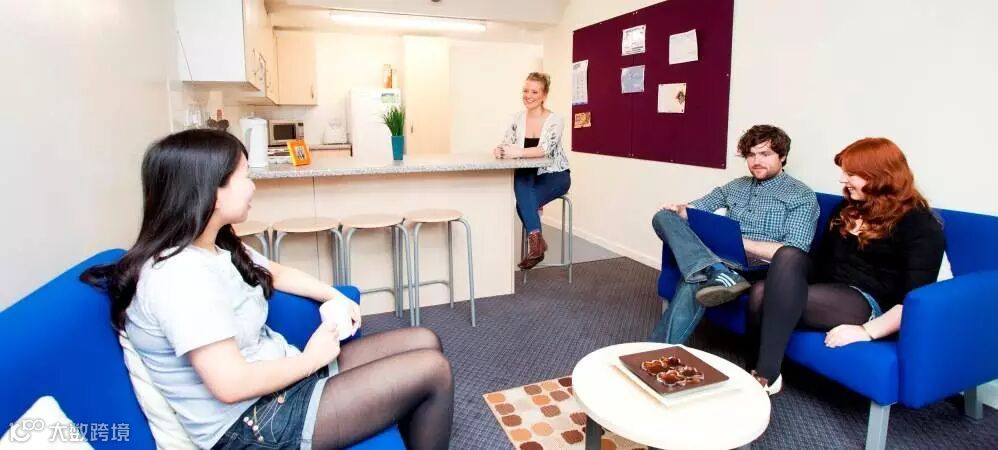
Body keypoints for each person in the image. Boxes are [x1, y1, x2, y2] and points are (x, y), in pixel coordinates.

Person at [81, 129, 453, 450]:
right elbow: (230, 385)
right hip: (252, 423)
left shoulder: (215, 245)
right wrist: (311, 359)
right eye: (245, 176)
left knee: (425, 339)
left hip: (280, 380)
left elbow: (275, 272)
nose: (253, 186)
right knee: (432, 370)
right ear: (211, 190)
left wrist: (333, 295)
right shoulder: (178, 277)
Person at [746, 137, 944, 394]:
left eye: (851, 174)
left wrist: (866, 331)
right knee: (784, 258)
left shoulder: (919, 223)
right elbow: (822, 259)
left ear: (881, 176)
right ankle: (758, 372)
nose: (843, 180)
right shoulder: (847, 208)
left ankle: (764, 376)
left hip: (867, 299)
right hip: (830, 284)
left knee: (763, 295)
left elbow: (916, 297)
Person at [649, 125, 819, 345]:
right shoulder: (736, 186)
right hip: (719, 256)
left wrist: (737, 242)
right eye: (751, 155)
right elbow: (697, 209)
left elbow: (794, 251)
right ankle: (716, 270)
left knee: (696, 278)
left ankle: (654, 350)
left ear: (783, 156)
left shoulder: (801, 196)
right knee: (663, 216)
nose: (756, 161)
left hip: (760, 266)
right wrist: (678, 209)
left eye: (765, 154)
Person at [493, 72, 571, 270]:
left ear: (544, 95)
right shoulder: (518, 118)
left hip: (555, 175)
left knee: (523, 203)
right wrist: (500, 149)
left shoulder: (555, 120)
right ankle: (537, 245)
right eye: (526, 90)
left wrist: (517, 152)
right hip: (528, 176)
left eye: (534, 92)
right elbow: (507, 142)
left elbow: (545, 150)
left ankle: (537, 245)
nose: (528, 95)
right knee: (522, 183)